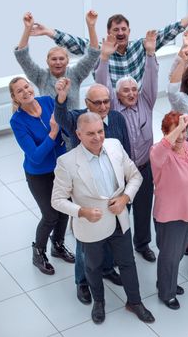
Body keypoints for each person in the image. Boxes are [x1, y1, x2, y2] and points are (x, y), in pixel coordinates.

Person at [51, 112, 154, 324]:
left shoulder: (115, 145)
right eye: (90, 134)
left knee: (127, 263)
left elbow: (135, 176)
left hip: (119, 219)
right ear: (78, 134)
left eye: (100, 131)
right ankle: (99, 302)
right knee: (93, 267)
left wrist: (125, 197)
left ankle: (134, 301)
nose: (98, 137)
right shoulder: (66, 162)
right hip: (91, 225)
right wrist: (82, 211)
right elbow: (57, 200)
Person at [54, 82, 130, 303]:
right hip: (87, 192)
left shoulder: (116, 118)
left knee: (110, 233)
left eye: (106, 101)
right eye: (97, 102)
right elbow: (60, 117)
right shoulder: (77, 119)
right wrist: (61, 97)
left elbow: (126, 151)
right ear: (87, 104)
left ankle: (106, 268)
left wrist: (126, 190)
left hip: (113, 192)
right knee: (85, 244)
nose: (103, 106)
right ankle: (83, 282)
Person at [95, 30, 158, 263]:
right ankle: (116, 253)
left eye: (134, 89)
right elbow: (102, 83)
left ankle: (142, 244)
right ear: (116, 95)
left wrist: (150, 54)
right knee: (120, 213)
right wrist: (104, 58)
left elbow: (151, 78)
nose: (131, 93)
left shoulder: (146, 101)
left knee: (143, 210)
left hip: (143, 167)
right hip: (120, 173)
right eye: (125, 90)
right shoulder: (111, 108)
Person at [30, 9, 188, 87]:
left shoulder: (140, 46)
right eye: (116, 30)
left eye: (124, 29)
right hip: (110, 104)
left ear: (129, 31)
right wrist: (48, 32)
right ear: (109, 32)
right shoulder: (99, 49)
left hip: (136, 101)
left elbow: (166, 33)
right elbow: (74, 42)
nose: (120, 32)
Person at [9, 77, 74, 276]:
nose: (25, 91)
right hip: (39, 174)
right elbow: (36, 157)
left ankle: (58, 245)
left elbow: (66, 127)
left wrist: (62, 102)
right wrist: (53, 133)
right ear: (15, 98)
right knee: (50, 215)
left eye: (26, 86)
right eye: (19, 91)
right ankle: (38, 252)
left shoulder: (47, 101)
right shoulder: (17, 121)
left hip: (61, 168)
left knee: (64, 210)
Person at [149, 112, 188, 310]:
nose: (182, 136)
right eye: (176, 131)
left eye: (184, 130)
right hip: (170, 214)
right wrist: (177, 128)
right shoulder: (158, 152)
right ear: (166, 132)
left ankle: (167, 281)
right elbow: (162, 149)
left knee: (178, 253)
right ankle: (167, 292)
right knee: (170, 255)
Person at [15, 11, 100, 110]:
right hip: (50, 124)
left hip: (73, 124)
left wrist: (91, 26)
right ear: (47, 61)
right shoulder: (40, 76)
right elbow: (22, 56)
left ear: (67, 61)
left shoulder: (75, 74)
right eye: (54, 59)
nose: (58, 62)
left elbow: (93, 54)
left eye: (61, 59)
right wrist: (27, 29)